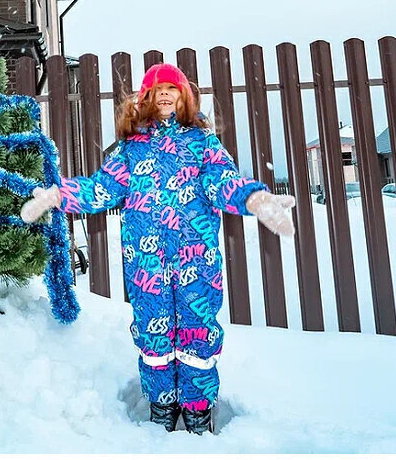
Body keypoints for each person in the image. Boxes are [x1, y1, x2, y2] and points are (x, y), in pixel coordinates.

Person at [21, 63, 295, 435]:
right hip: (146, 264)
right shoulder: (131, 150)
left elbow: (224, 183)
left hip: (196, 261)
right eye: (156, 89)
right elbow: (101, 189)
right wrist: (58, 195)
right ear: (146, 98)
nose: (164, 94)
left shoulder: (202, 144)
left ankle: (198, 408)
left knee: (198, 331)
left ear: (184, 95)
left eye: (172, 87)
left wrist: (254, 198)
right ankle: (162, 404)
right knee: (153, 335)